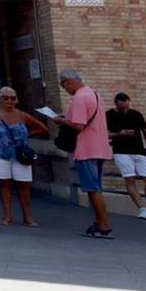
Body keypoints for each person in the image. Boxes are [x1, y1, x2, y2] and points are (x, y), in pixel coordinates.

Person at [58, 70, 113, 239]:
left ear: (69, 81)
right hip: (100, 147)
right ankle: (99, 223)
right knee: (96, 188)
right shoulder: (94, 94)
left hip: (87, 149)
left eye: (63, 85)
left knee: (92, 189)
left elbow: (79, 126)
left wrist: (60, 121)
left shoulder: (79, 98)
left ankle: (103, 226)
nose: (64, 89)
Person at [0, 87, 51, 226]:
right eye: (6, 98)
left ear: (16, 100)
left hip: (20, 155)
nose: (9, 101)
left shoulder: (22, 115)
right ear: (0, 100)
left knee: (24, 185)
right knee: (4, 185)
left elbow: (43, 128)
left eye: (12, 98)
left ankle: (27, 217)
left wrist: (26, 136)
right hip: (0, 154)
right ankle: (7, 215)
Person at [107, 92, 146, 223]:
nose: (124, 109)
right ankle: (142, 209)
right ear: (116, 104)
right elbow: (104, 134)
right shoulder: (109, 115)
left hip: (139, 151)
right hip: (121, 152)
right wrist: (118, 133)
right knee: (130, 179)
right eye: (121, 107)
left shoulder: (136, 114)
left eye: (126, 106)